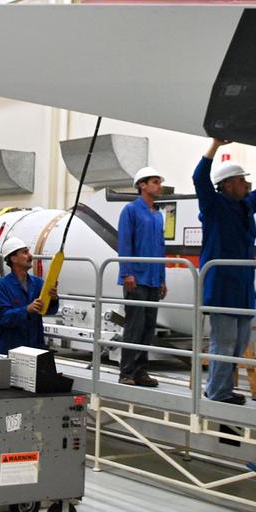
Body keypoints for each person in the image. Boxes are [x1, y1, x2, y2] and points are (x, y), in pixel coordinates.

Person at [193, 138, 256, 404]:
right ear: (227, 185)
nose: (247, 184)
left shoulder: (245, 206)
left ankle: (217, 386)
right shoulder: (213, 207)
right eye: (241, 180)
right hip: (222, 286)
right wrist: (215, 145)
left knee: (238, 344)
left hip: (243, 286)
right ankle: (218, 392)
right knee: (223, 342)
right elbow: (199, 176)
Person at [117, 166, 168, 387]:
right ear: (142, 185)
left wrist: (163, 278)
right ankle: (126, 372)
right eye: (155, 181)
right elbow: (124, 243)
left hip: (153, 279)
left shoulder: (158, 216)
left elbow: (160, 249)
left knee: (148, 328)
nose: (159, 186)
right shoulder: (130, 210)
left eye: (159, 182)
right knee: (134, 326)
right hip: (136, 278)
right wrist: (126, 272)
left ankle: (141, 371)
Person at [0, 237, 58, 354]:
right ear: (13, 258)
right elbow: (0, 317)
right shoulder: (2, 286)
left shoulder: (38, 283)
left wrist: (53, 299)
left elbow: (49, 310)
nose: (30, 256)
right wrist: (26, 310)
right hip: (11, 347)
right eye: (25, 252)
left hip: (35, 347)